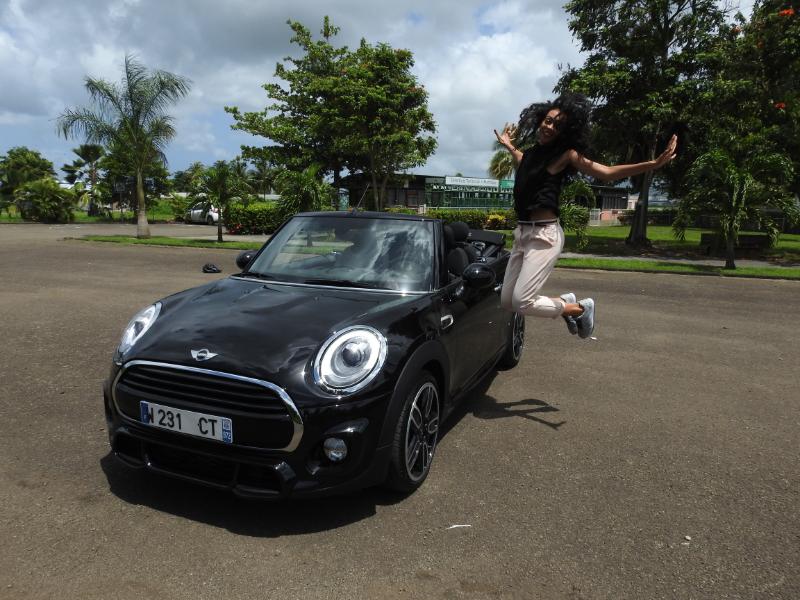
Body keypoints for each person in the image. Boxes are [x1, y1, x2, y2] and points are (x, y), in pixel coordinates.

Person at [494, 93, 677, 338]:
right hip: (523, 233)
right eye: (548, 121)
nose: (550, 127)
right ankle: (567, 303)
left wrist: (652, 164)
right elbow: (522, 159)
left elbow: (607, 172)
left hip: (544, 235)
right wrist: (508, 145)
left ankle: (579, 309)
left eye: (558, 126)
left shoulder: (566, 155)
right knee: (507, 301)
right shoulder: (530, 155)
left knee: (522, 301)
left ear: (565, 132)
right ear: (540, 120)